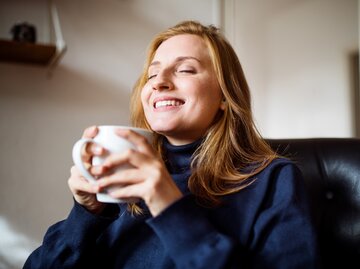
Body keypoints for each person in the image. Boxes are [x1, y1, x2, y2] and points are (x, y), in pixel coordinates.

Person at [24, 20, 320, 269]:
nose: (158, 82)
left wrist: (167, 204)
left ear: (224, 97)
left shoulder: (273, 180)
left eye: (186, 70)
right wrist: (85, 214)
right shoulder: (120, 184)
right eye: (152, 74)